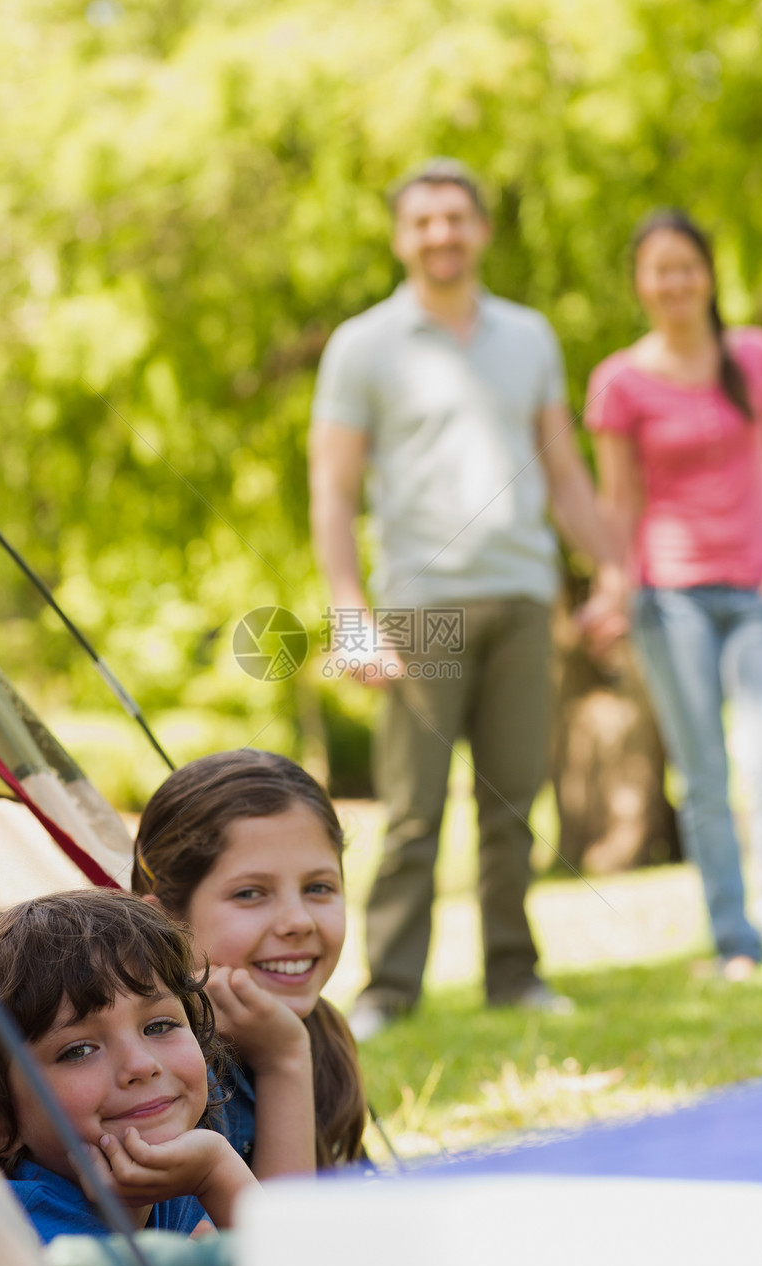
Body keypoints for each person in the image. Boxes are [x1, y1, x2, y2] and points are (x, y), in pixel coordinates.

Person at [308, 157, 621, 1038]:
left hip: (524, 595)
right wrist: (349, 612)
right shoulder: (363, 346)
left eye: (457, 217)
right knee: (412, 811)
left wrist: (610, 571)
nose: (442, 233)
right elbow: (332, 489)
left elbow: (563, 468)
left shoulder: (530, 336)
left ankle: (515, 976)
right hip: (418, 606)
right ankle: (387, 992)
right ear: (402, 236)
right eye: (424, 221)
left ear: (481, 229)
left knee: (516, 804)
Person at [586, 208, 762, 979]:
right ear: (641, 283)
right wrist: (611, 586)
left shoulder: (757, 357)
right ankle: (736, 940)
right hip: (672, 598)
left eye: (686, 265)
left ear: (708, 272)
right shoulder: (621, 381)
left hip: (759, 586)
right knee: (702, 773)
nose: (674, 281)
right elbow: (617, 501)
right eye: (658, 268)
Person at [0, 889, 256, 1243]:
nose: (142, 1066)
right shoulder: (18, 1240)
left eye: (158, 1027)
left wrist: (215, 1168)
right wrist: (218, 1175)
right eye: (78, 1051)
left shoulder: (182, 1170)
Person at [132, 749, 367, 1174]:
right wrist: (284, 1062)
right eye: (250, 893)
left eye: (318, 887)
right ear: (167, 921)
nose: (298, 921)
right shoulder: (155, 1075)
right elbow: (280, 1237)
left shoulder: (323, 1034)